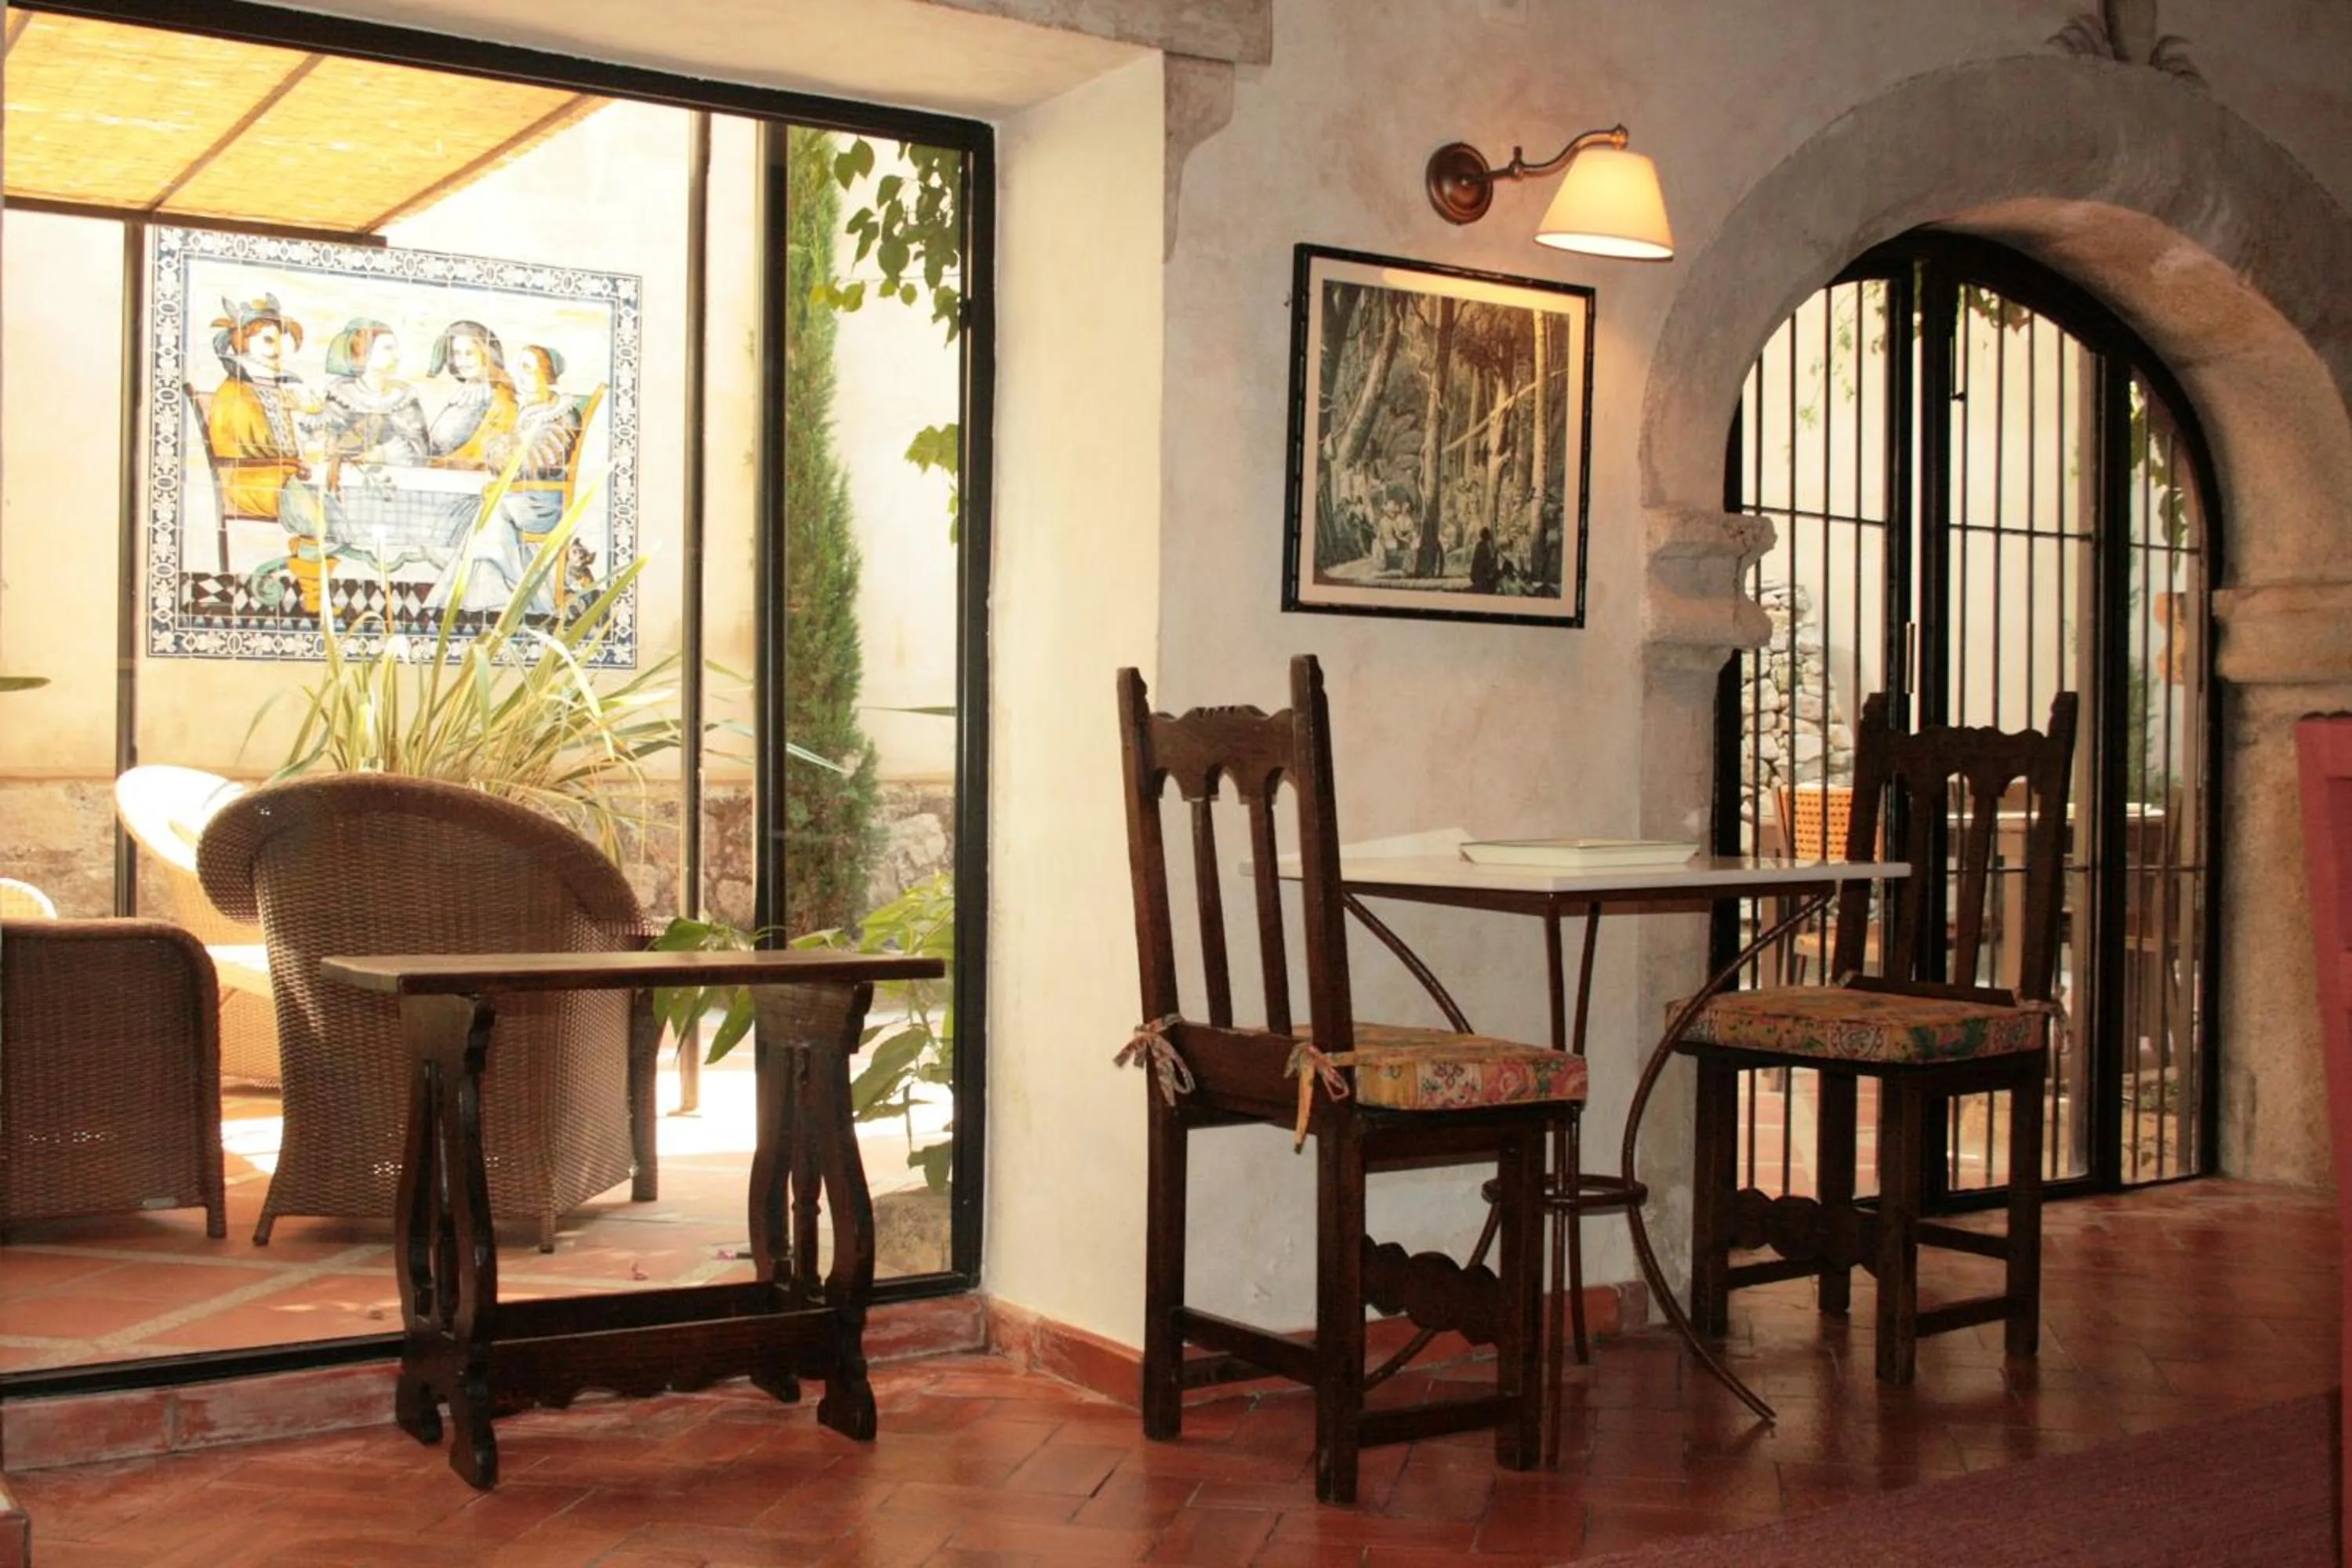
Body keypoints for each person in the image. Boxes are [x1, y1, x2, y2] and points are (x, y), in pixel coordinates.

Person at [202, 294, 317, 522]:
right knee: (322, 513)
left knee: (340, 503)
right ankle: (308, 555)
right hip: (252, 482)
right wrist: (292, 464)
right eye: (267, 341)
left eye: (278, 342)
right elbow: (239, 451)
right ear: (243, 340)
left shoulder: (272, 387)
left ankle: (312, 554)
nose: (277, 350)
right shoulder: (235, 393)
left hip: (281, 477)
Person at [321, 318, 429, 465]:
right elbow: (326, 447)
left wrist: (383, 455)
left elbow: (421, 452)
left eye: (395, 348)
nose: (397, 355)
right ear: (364, 353)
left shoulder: (405, 398)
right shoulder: (341, 397)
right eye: (388, 348)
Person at [425, 320, 517, 468]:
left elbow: (485, 458)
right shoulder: (463, 394)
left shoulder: (501, 401)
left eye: (469, 353)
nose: (462, 361)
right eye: (456, 354)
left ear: (486, 355)